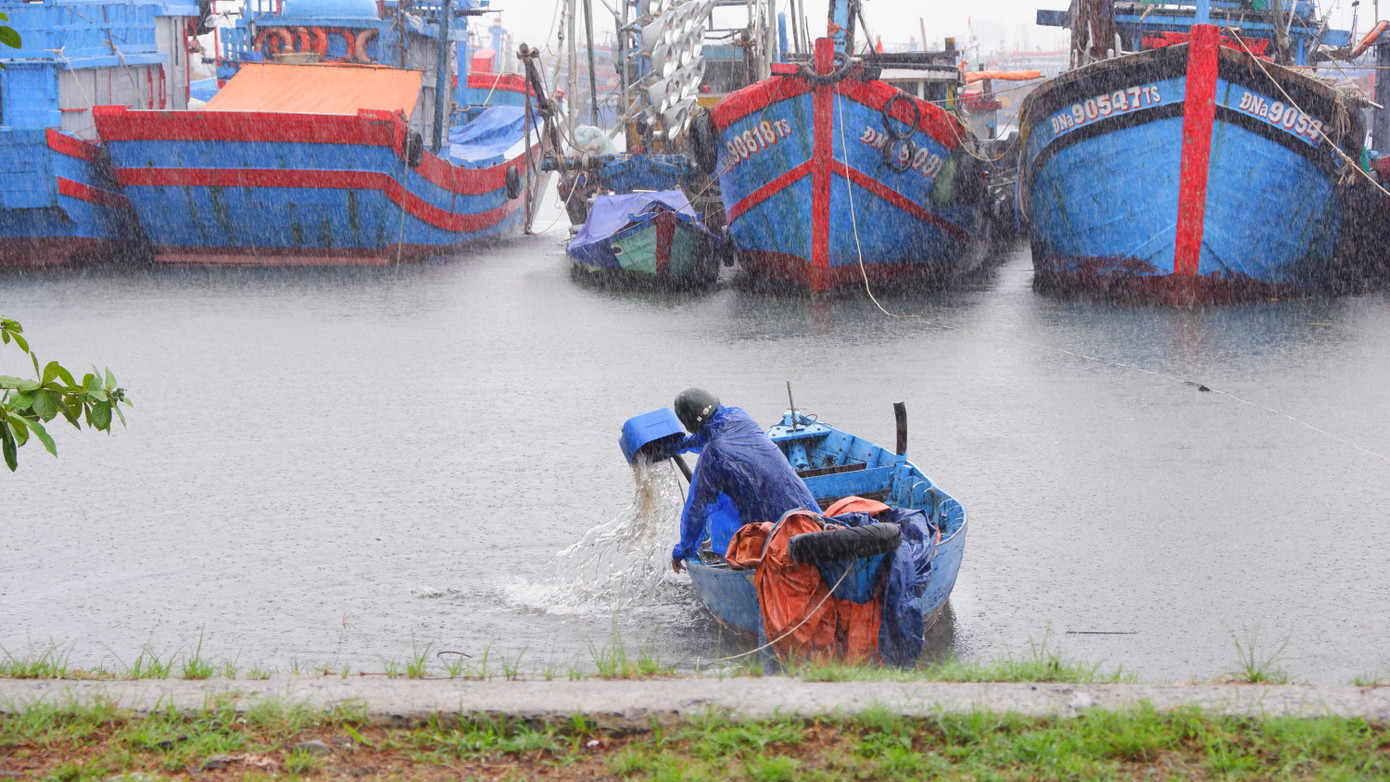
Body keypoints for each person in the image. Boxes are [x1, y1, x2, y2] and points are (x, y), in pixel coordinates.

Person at [666, 388, 820, 573]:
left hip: (774, 529)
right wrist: (680, 445)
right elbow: (711, 436)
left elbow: (696, 510)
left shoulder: (713, 456)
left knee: (761, 535)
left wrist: (683, 550)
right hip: (809, 516)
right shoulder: (738, 416)